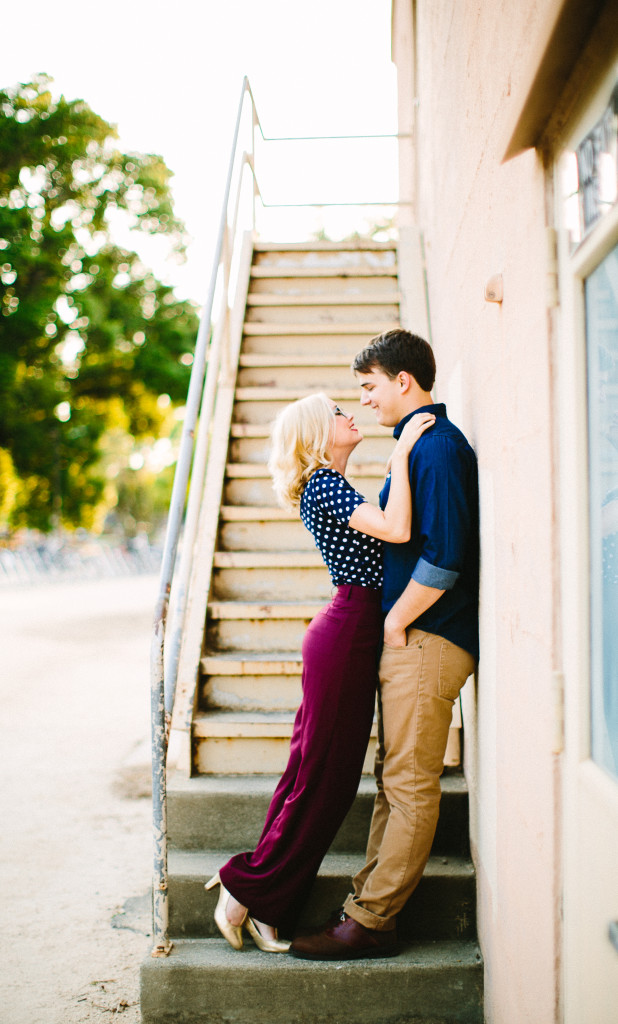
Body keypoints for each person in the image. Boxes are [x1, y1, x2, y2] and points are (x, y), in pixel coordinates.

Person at [205, 391, 435, 953]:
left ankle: (261, 899)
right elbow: (398, 530)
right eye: (336, 412)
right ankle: (246, 892)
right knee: (323, 783)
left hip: (346, 631)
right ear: (316, 433)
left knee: (312, 777)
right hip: (347, 633)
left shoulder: (330, 484)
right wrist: (403, 452)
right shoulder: (326, 484)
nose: (349, 415)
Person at [291, 328, 479, 961]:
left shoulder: (437, 448)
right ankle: (366, 906)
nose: (365, 400)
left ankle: (373, 921)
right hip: (410, 638)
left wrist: (396, 623)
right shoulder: (414, 447)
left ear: (404, 381)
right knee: (392, 779)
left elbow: (445, 555)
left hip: (425, 638)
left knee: (408, 784)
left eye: (369, 387)